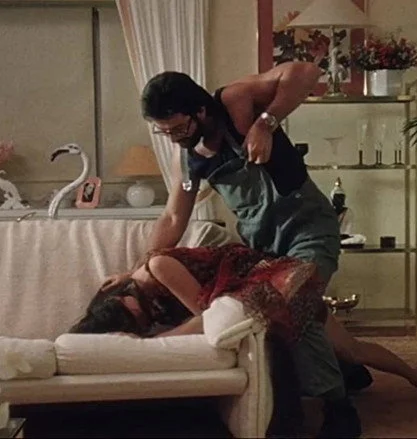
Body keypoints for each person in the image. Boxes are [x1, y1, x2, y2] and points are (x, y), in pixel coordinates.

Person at [101, 63, 370, 436]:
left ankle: (338, 406)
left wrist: (266, 124)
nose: (174, 139)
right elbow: (173, 218)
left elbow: (306, 72)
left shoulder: (235, 101)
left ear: (199, 110)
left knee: (293, 303)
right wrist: (135, 271)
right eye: (164, 132)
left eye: (178, 128)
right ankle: (343, 370)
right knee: (276, 317)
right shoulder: (189, 159)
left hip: (308, 227)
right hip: (262, 245)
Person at [77, 244, 417, 431]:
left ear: (121, 296)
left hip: (267, 279)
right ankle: (416, 378)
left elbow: (208, 315)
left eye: (133, 314)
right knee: (348, 348)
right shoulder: (134, 299)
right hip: (256, 295)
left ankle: (396, 382)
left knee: (343, 348)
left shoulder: (158, 268)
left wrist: (158, 344)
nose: (143, 319)